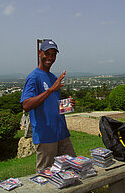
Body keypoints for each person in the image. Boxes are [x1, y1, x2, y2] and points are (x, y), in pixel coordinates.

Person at [20, 39, 76, 171]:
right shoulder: (34, 77)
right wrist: (50, 89)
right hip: (46, 136)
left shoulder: (52, 77)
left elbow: (52, 105)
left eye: (53, 54)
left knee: (73, 169)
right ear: (40, 53)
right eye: (47, 53)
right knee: (45, 175)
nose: (50, 57)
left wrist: (66, 104)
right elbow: (26, 105)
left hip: (61, 133)